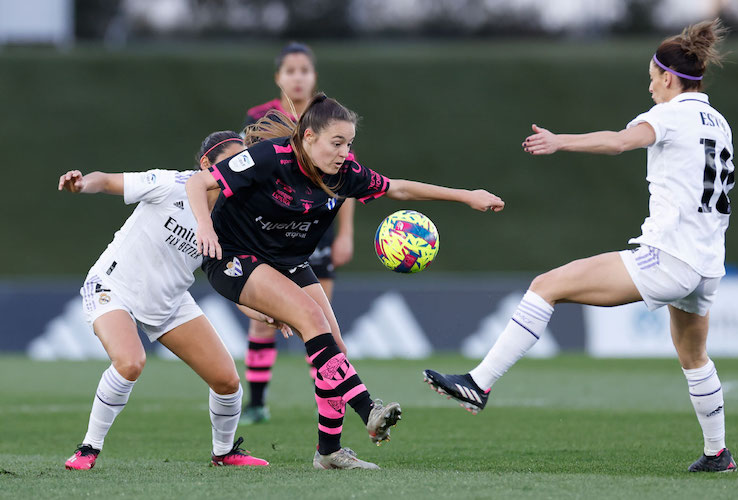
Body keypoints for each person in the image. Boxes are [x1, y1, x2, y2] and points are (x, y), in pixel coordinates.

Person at [423, 19, 737, 473]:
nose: (650, 90)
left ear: (668, 78)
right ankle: (717, 454)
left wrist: (559, 141)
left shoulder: (670, 113)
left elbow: (620, 141)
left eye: (652, 81)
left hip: (669, 255)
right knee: (694, 357)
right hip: (707, 262)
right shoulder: (719, 122)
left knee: (546, 285)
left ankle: (479, 383)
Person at [186, 93, 504, 469]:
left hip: (286, 260)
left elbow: (398, 188)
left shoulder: (345, 174)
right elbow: (197, 184)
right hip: (234, 257)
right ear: (308, 138)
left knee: (334, 346)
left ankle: (329, 452)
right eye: (337, 143)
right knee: (312, 321)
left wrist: (466, 196)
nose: (344, 152)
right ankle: (368, 408)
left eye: (349, 143)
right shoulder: (269, 157)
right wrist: (205, 228)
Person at [58, 131, 275, 470]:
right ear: (206, 164)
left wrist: (264, 310)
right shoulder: (170, 184)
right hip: (114, 286)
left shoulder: (231, 219)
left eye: (242, 164)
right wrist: (82, 183)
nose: (238, 170)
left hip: (170, 301)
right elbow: (105, 181)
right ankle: (88, 448)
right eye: (230, 162)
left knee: (228, 381)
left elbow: (231, 279)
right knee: (130, 362)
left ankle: (224, 452)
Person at [239, 42, 356, 424]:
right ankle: (256, 402)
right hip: (271, 232)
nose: (298, 77)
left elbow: (347, 179)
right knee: (262, 319)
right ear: (278, 78)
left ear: (313, 76)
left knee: (320, 321)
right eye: (290, 70)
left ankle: (329, 398)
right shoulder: (260, 118)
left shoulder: (329, 120)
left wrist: (345, 234)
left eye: (304, 70)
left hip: (316, 230)